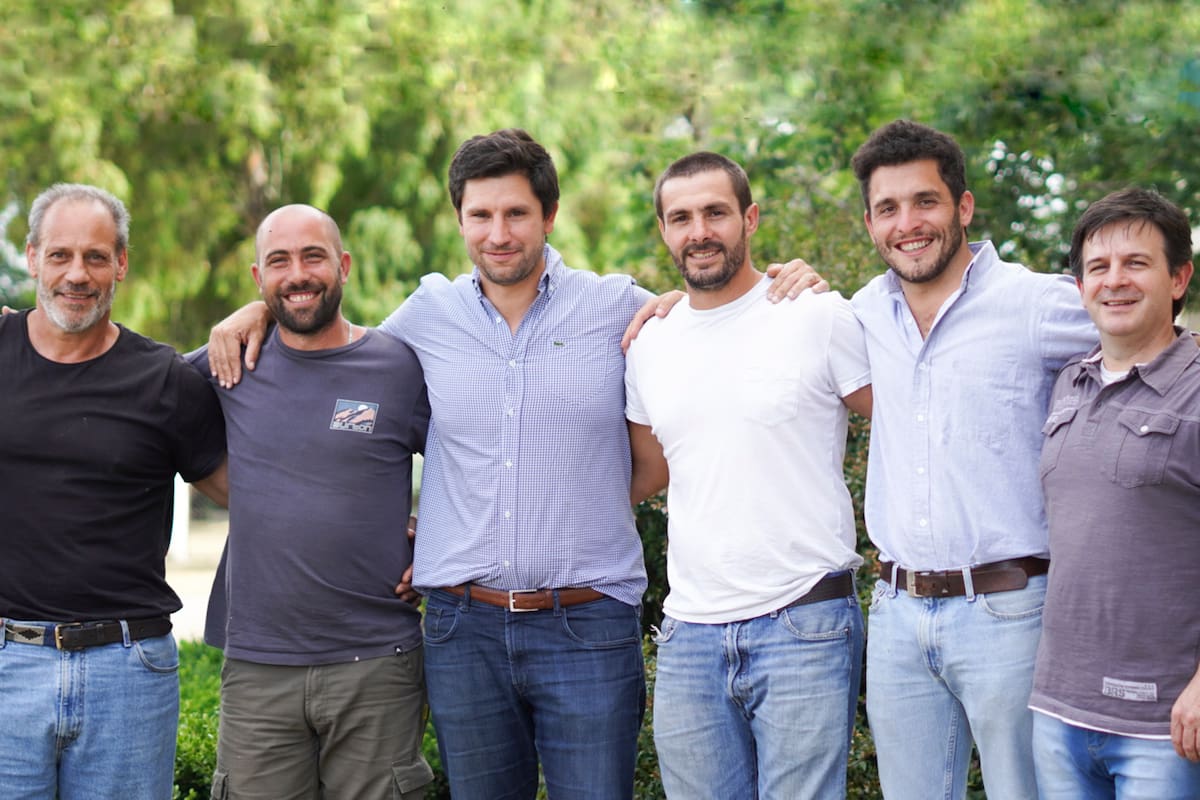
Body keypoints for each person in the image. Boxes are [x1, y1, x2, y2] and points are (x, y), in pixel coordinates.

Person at [203, 131, 828, 797]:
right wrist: (257, 312)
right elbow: (336, 351)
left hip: (587, 625)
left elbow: (705, 330)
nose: (498, 233)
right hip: (462, 630)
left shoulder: (618, 308)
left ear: (548, 216)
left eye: (516, 214)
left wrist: (785, 283)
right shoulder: (424, 317)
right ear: (460, 220)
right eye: (481, 215)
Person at [848, 120, 1096, 799]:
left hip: (1010, 611)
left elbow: (1153, 328)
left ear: (962, 207)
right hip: (897, 616)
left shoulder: (1034, 304)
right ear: (870, 223)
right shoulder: (860, 315)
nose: (908, 223)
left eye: (925, 201)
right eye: (888, 209)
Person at [625, 152, 870, 798]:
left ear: (750, 219)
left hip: (804, 621)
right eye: (681, 217)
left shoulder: (814, 314)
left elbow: (907, 425)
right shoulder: (650, 342)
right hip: (690, 636)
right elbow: (643, 473)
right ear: (663, 231)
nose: (699, 231)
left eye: (715, 212)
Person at [189, 205, 433, 799]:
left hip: (378, 661)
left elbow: (471, 470)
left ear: (343, 266)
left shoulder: (398, 366)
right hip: (259, 667)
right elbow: (133, 404)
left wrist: (434, 541)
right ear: (258, 279)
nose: (298, 274)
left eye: (313, 257)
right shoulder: (226, 364)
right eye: (279, 262)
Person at [0, 183, 228, 799]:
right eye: (60, 255)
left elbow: (253, 494)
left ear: (121, 263)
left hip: (128, 674)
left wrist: (380, 528)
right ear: (31, 258)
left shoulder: (165, 380)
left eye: (96, 257)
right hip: (6, 666)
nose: (78, 274)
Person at [1030, 187, 1200, 798]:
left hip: (1164, 727)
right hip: (1057, 710)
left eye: (1137, 263)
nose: (1115, 281)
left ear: (1178, 278)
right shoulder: (1068, 383)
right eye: (1098, 267)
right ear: (1080, 289)